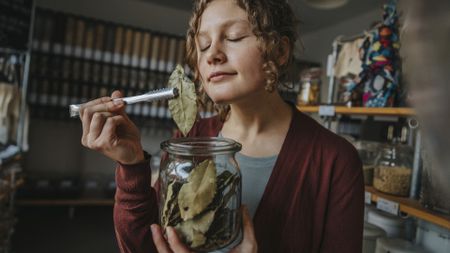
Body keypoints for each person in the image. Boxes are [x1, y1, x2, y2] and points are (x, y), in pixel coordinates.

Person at [79, 0, 364, 252]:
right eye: (203, 45)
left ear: (278, 51)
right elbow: (142, 245)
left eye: (234, 37)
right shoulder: (190, 139)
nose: (212, 54)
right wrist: (131, 164)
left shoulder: (335, 160)